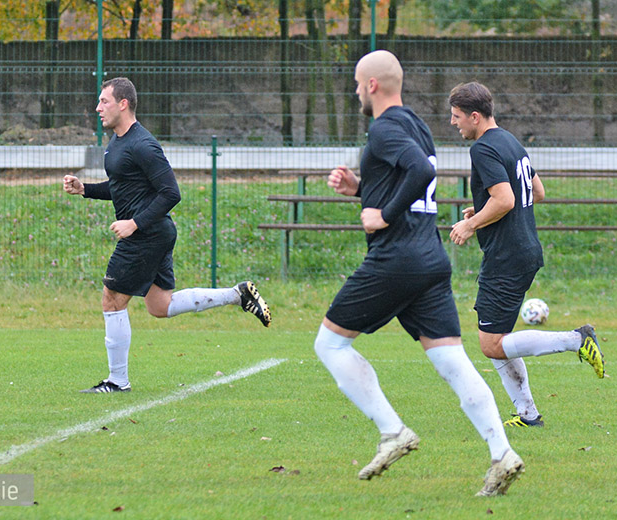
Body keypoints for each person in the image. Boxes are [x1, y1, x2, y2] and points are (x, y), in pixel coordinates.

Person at [313, 51, 522, 497]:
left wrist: (382, 214)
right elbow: (413, 177)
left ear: (371, 85)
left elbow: (420, 171)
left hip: (396, 260)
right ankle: (502, 453)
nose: (355, 92)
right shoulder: (417, 126)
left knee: (329, 343)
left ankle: (393, 432)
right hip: (429, 258)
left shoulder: (385, 126)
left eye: (356, 83)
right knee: (451, 360)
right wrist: (360, 191)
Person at [63, 77, 271, 393]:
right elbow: (123, 186)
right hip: (155, 234)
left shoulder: (143, 144)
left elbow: (170, 193)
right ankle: (237, 294)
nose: (97, 108)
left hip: (146, 235)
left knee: (112, 300)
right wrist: (85, 190)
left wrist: (135, 224)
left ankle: (117, 382)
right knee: (159, 305)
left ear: (123, 104)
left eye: (104, 101)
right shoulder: (118, 142)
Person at [448, 81, 605, 428]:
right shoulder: (510, 140)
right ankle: (528, 415)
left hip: (507, 257)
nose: (453, 122)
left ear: (475, 116)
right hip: (523, 250)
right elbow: (537, 191)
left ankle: (577, 340)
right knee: (498, 338)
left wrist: (472, 224)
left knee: (491, 344)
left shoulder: (483, 149)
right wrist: (480, 213)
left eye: (457, 116)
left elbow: (505, 200)